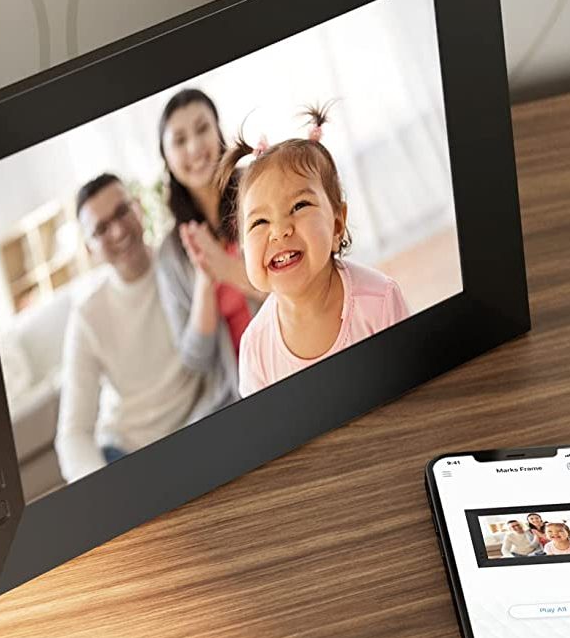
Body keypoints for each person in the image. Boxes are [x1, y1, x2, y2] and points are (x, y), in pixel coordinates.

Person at [223, 104, 410, 396]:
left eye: (299, 206)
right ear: (244, 248)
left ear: (337, 225)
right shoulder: (255, 348)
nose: (280, 230)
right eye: (260, 221)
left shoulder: (379, 301)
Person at [54, 174, 215, 481]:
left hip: (197, 429)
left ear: (139, 207)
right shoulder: (88, 316)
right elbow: (73, 433)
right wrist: (103, 489)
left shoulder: (183, 261)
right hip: (127, 455)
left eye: (121, 212)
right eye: (101, 229)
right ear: (90, 248)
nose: (117, 230)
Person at [155, 89, 263, 414]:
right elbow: (195, 358)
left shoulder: (258, 190)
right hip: (236, 397)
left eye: (203, 129)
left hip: (288, 359)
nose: (194, 147)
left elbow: (301, 288)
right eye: (179, 140)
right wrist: (205, 277)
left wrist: (227, 270)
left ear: (218, 131)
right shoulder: (171, 253)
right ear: (167, 158)